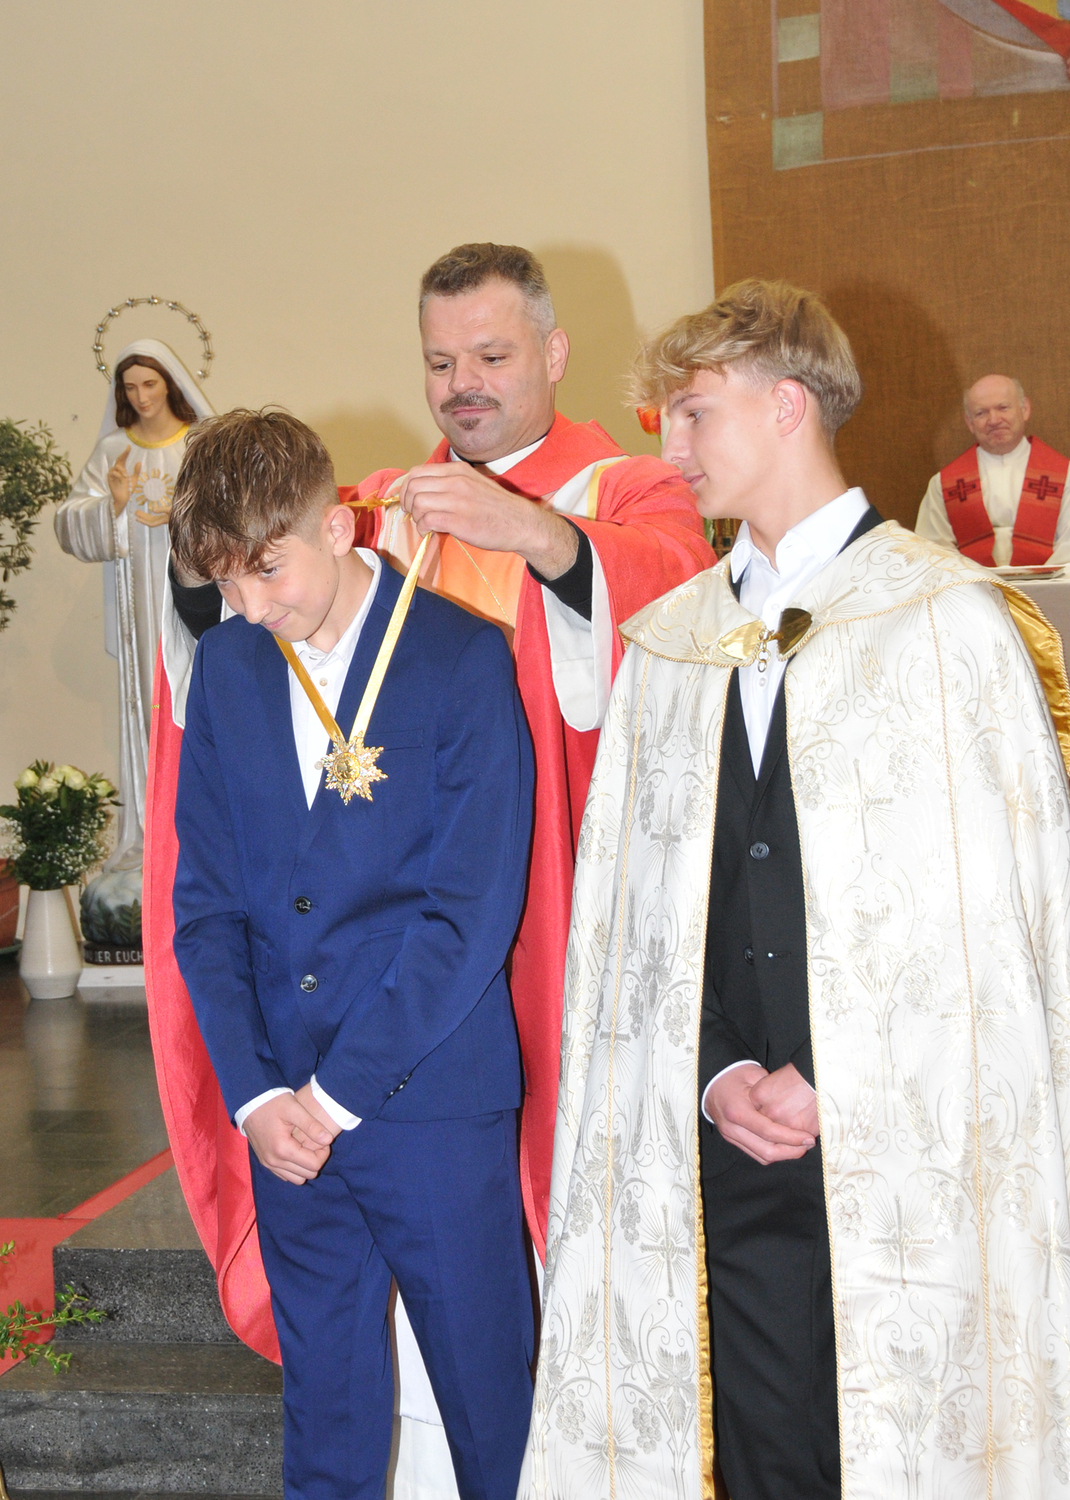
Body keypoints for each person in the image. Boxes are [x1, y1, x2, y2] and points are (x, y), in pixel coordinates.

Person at [520, 280, 1070, 1500]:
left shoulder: (946, 624)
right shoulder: (670, 643)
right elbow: (642, 922)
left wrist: (836, 1071)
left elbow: (987, 923)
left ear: (784, 408)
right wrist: (715, 1072)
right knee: (759, 1452)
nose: (670, 448)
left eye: (692, 414)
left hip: (912, 1139)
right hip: (721, 1137)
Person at [168, 408, 535, 1500]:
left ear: (337, 526)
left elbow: (469, 915)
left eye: (265, 570)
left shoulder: (460, 656)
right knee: (324, 1418)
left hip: (428, 1099)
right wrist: (255, 1096)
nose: (249, 607)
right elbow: (206, 910)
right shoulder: (227, 666)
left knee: (491, 1412)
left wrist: (335, 1098)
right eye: (223, 583)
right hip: (283, 1113)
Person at [55, 339, 213, 871]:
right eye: (130, 388)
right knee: (147, 702)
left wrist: (179, 512)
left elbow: (236, 508)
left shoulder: (198, 442)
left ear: (170, 383)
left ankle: (198, 829)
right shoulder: (112, 451)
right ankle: (149, 833)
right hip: (138, 610)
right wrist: (114, 504)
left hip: (194, 601)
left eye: (150, 384)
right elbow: (69, 521)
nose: (141, 397)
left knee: (195, 696)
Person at [916, 373, 1070, 568]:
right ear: (969, 422)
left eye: (1003, 408)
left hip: (1049, 584)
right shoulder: (944, 484)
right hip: (973, 585)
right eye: (981, 413)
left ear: (1024, 409)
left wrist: (1040, 580)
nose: (994, 420)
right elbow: (933, 551)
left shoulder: (1064, 475)